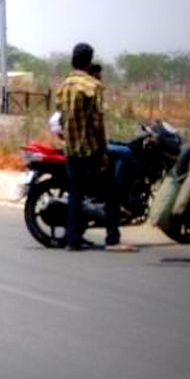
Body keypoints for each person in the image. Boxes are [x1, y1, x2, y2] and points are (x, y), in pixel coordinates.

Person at [55, 43, 130, 251]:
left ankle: (72, 239)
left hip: (71, 150)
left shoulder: (63, 87)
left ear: (73, 60)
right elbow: (97, 122)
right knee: (112, 193)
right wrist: (103, 151)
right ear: (89, 61)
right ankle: (112, 238)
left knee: (75, 195)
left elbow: (61, 119)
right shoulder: (92, 86)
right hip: (90, 150)